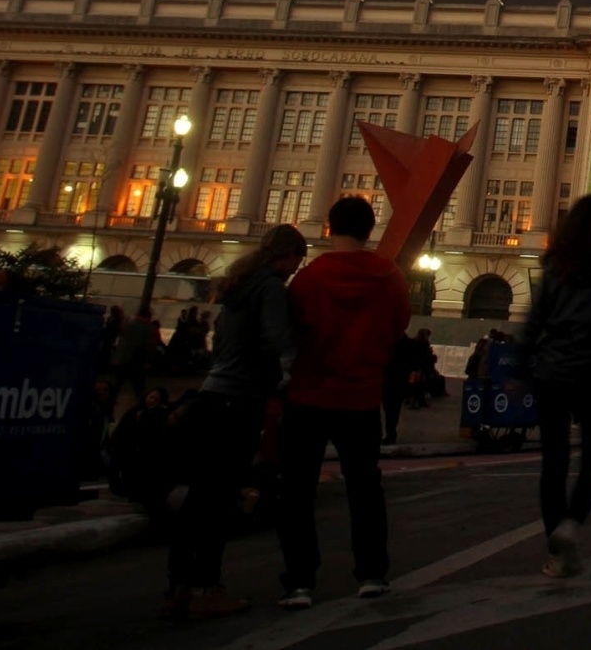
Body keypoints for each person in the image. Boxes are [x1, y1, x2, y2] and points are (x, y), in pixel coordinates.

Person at [161, 224, 307, 620]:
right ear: (289, 255)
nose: (297, 269)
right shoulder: (271, 287)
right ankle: (208, 587)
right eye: (298, 260)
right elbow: (280, 340)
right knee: (221, 496)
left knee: (198, 496)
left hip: (212, 394)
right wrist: (291, 375)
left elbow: (222, 345)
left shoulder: (236, 289)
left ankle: (179, 586)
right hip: (240, 400)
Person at [276, 197, 411, 609]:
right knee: (365, 488)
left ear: (330, 229)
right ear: (370, 231)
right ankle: (371, 573)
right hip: (361, 396)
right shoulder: (390, 277)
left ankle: (299, 581)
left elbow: (292, 332)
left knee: (297, 491)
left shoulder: (308, 279)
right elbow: (398, 326)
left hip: (309, 394)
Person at [518, 192, 591, 579]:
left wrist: (518, 366)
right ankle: (572, 523)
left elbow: (533, 322)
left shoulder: (554, 266)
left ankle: (556, 550)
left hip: (551, 374)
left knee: (554, 462)